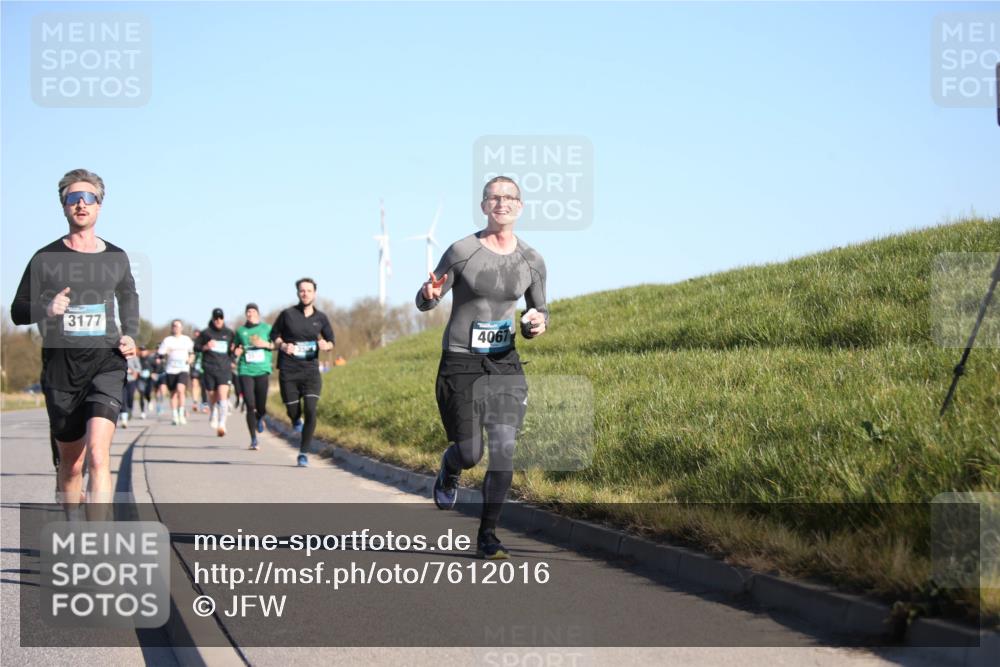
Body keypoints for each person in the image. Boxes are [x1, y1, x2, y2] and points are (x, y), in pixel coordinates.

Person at [416, 176, 548, 560]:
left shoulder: (532, 260)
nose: (502, 203)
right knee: (471, 452)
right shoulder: (462, 251)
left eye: (509, 197)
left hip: (504, 362)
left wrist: (536, 323)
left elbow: (540, 309)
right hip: (461, 360)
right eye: (494, 197)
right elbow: (427, 298)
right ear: (483, 206)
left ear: (520, 206)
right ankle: (451, 465)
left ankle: (488, 536)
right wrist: (427, 295)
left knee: (504, 450)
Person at [11, 168, 139, 513]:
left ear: (99, 205)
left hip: (106, 362)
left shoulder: (116, 257)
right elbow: (17, 310)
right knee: (71, 465)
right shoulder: (45, 258)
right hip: (62, 370)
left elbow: (129, 296)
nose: (81, 204)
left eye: (88, 198)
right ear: (64, 206)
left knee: (98, 455)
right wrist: (46, 307)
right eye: (73, 198)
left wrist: (130, 333)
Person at [270, 278, 334, 467]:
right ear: (298, 293)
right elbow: (274, 335)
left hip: (310, 371)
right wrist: (283, 345)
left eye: (308, 290)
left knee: (311, 410)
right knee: (293, 410)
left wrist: (326, 345)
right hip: (289, 370)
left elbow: (331, 341)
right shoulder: (287, 314)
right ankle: (295, 419)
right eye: (302, 290)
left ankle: (303, 453)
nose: (305, 293)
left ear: (315, 293)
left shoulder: (321, 318)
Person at [233, 303, 274, 450]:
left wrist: (265, 344)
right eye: (248, 312)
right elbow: (234, 348)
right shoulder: (241, 331)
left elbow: (276, 345)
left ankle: (260, 417)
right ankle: (253, 439)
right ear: (246, 314)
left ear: (258, 313)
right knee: (250, 405)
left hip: (262, 370)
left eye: (253, 311)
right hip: (245, 370)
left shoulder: (267, 328)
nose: (250, 314)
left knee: (261, 405)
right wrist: (236, 352)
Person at [195, 308, 235, 436]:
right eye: (216, 318)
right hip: (209, 367)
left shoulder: (229, 333)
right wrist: (206, 346)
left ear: (223, 318)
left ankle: (222, 424)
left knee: (223, 395)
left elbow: (233, 350)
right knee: (212, 395)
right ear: (212, 319)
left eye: (220, 318)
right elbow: (196, 347)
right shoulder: (206, 333)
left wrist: (234, 357)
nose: (218, 320)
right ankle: (213, 412)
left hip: (224, 368)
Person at [157, 319, 194, 425]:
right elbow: (160, 354)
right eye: (174, 326)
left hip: (183, 369)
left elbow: (192, 353)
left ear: (181, 328)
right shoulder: (167, 340)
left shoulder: (186, 339)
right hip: (171, 369)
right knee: (173, 393)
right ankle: (175, 415)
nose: (176, 328)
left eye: (178, 326)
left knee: (180, 389)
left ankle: (181, 414)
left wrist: (190, 359)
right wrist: (165, 353)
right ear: (172, 328)